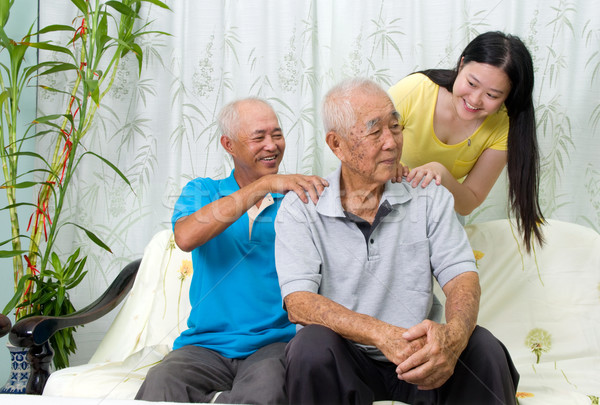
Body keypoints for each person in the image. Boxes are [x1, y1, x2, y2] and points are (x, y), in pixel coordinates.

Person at [275, 78, 519, 405]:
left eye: (396, 126)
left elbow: (461, 275)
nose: (391, 142)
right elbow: (299, 302)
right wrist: (381, 334)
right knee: (310, 348)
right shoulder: (302, 206)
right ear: (337, 145)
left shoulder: (429, 196)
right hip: (349, 358)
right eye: (375, 132)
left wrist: (454, 336)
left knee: (484, 348)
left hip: (421, 358)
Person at [135, 97, 328, 404]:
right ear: (229, 144)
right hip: (204, 346)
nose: (271, 145)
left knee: (267, 391)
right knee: (161, 382)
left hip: (274, 345)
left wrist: (424, 170)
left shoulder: (300, 199)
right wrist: (263, 186)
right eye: (258, 137)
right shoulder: (203, 191)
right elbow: (185, 236)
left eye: (277, 135)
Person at [388, 31, 544, 252]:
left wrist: (441, 175)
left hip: (441, 215)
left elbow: (468, 202)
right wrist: (388, 166)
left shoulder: (502, 127)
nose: (474, 100)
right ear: (461, 65)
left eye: (492, 95)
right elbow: (360, 142)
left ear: (507, 97)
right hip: (386, 201)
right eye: (472, 83)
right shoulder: (416, 90)